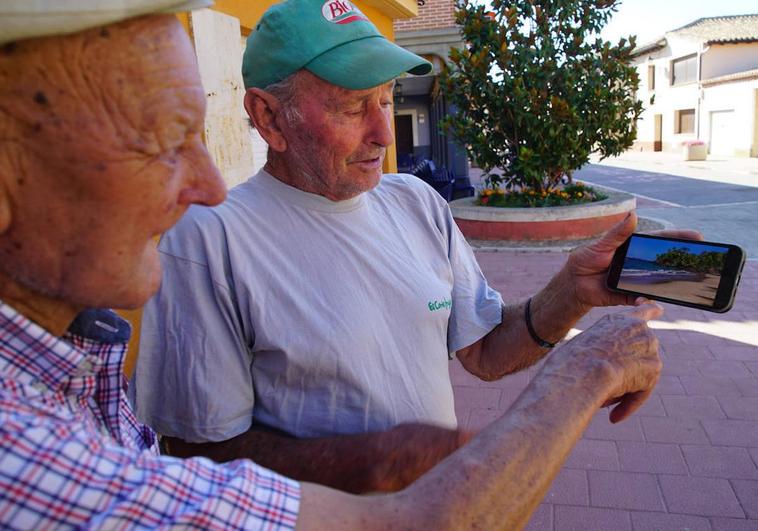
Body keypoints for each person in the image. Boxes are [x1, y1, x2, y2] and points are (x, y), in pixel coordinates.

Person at [0, 1, 691, 528]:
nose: (384, 133)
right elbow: (190, 451)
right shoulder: (207, 238)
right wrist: (383, 461)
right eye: (352, 106)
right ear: (269, 119)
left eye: (386, 101)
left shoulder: (416, 202)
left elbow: (483, 350)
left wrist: (572, 289)